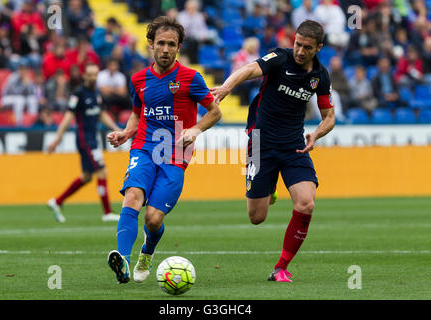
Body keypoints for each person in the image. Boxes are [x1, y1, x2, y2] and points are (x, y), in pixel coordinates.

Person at [211, 20, 335, 282]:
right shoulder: (280, 57)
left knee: (306, 203)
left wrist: (317, 133)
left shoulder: (320, 76)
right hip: (259, 142)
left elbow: (329, 116)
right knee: (257, 217)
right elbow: (248, 69)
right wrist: (226, 87)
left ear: (319, 48)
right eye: (298, 44)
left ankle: (281, 267)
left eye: (307, 47)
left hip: (294, 146)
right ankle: (269, 190)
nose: (300, 51)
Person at [105, 16, 221, 284]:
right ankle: (122, 260)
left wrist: (195, 130)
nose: (165, 49)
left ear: (179, 47)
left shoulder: (191, 78)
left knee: (153, 219)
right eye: (161, 43)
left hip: (177, 155)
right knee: (133, 195)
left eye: (171, 44)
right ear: (150, 45)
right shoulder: (138, 79)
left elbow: (215, 113)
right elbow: (137, 114)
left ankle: (147, 252)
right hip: (144, 147)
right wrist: (125, 132)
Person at [46, 63, 121, 223]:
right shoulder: (79, 94)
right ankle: (107, 212)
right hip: (85, 139)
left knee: (86, 177)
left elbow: (101, 114)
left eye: (96, 74)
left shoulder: (96, 93)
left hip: (93, 138)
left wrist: (117, 128)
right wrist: (57, 138)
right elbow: (68, 116)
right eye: (91, 74)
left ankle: (57, 202)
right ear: (84, 76)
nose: (93, 77)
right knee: (102, 172)